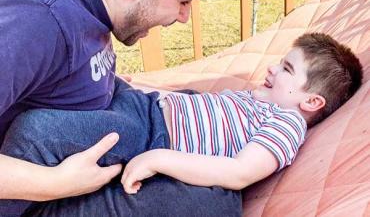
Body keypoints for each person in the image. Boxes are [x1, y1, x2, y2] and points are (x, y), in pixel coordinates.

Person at [0, 0, 243, 217]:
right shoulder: (36, 18)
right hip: (35, 192)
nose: (185, 16)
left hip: (74, 156)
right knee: (216, 202)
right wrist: (55, 183)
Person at [1, 33, 362, 214]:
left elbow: (239, 172)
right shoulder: (257, 99)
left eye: (286, 69)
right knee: (63, 99)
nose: (270, 68)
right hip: (144, 108)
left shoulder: (286, 123)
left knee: (39, 131)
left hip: (151, 132)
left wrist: (158, 158)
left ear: (311, 101)